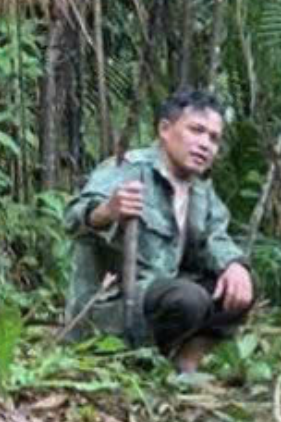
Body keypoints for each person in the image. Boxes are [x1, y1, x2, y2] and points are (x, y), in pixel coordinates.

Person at [65, 90, 254, 369]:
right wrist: (106, 211)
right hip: (113, 307)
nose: (205, 144)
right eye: (196, 130)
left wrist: (235, 265)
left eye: (213, 138)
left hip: (163, 296)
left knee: (241, 285)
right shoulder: (129, 167)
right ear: (165, 129)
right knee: (188, 300)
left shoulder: (201, 191)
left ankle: (185, 366)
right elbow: (72, 218)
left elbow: (216, 238)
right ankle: (133, 362)